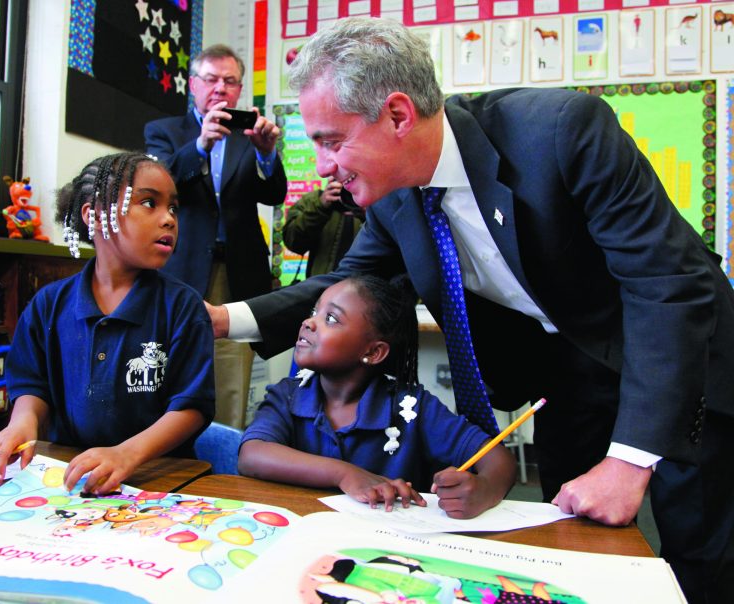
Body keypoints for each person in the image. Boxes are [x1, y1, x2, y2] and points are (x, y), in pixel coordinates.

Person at [207, 17, 734, 603]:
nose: (324, 166)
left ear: (399, 115)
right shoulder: (393, 202)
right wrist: (223, 319)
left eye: (331, 141)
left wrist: (631, 461)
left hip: (682, 357)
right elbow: (344, 283)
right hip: (569, 373)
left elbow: (666, 284)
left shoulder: (560, 131)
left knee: (698, 552)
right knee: (571, 541)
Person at [0, 152, 215, 495]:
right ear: (94, 215)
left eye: (173, 208)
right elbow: (31, 386)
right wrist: (23, 423)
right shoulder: (49, 305)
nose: (168, 219)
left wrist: (126, 455)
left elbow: (192, 407)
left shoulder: (183, 306)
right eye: (149, 203)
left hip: (162, 482)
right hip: (72, 478)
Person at [238, 274, 516, 515]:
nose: (309, 323)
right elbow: (252, 455)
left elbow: (499, 459)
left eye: (331, 318)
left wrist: (484, 490)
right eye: (314, 311)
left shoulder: (411, 408)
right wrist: (346, 474)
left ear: (373, 352)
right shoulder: (288, 394)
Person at [144, 44, 286, 429]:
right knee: (169, 363)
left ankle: (225, 459)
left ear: (241, 90)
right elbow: (156, 189)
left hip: (238, 273)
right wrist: (201, 145)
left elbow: (274, 195)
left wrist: (267, 156)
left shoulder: (249, 138)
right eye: (211, 79)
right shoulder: (165, 133)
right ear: (193, 85)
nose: (220, 89)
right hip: (180, 269)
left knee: (232, 378)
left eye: (230, 81)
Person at [283, 176, 364, 279]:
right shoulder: (313, 200)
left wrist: (364, 211)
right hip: (321, 286)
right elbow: (294, 243)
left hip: (363, 286)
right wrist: (320, 206)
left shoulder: (372, 200)